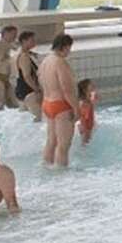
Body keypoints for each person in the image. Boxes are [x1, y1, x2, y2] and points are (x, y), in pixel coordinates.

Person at [38, 34, 79, 168]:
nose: (69, 51)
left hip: (47, 103)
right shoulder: (60, 62)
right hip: (61, 106)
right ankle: (61, 180)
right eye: (69, 48)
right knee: (63, 145)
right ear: (65, 46)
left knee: (51, 141)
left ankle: (45, 168)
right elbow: (67, 89)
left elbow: (41, 83)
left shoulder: (46, 61)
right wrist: (76, 109)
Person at [13, 30, 41, 120]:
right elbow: (27, 76)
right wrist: (37, 90)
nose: (34, 42)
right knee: (38, 119)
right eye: (32, 40)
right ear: (24, 41)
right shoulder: (24, 56)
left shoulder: (19, 53)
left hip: (21, 90)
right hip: (28, 90)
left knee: (25, 120)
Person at [76, 79, 97, 146]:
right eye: (91, 86)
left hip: (88, 125)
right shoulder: (84, 103)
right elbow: (84, 116)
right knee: (85, 142)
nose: (93, 86)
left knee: (87, 142)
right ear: (85, 90)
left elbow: (93, 100)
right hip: (86, 127)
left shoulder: (88, 100)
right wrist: (85, 130)